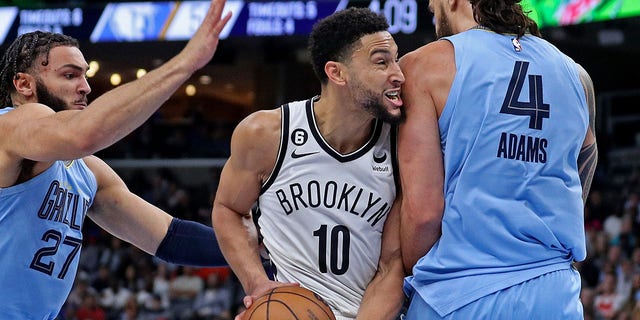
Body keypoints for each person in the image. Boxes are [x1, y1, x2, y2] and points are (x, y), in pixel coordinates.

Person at [0, 0, 231, 318]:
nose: (85, 87)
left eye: (84, 75)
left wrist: (262, 250)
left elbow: (170, 238)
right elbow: (84, 134)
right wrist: (186, 63)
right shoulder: (9, 127)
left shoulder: (86, 171)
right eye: (69, 76)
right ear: (24, 84)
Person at [397, 0, 598, 318]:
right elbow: (583, 168)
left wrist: (410, 276)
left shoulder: (423, 66)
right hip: (555, 295)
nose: (431, 8)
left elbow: (423, 214)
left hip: (459, 294)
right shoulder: (577, 75)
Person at [211, 7, 405, 320]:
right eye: (382, 62)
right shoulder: (266, 134)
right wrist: (256, 283)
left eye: (396, 59)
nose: (399, 73)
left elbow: (391, 266)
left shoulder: (401, 146)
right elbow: (229, 209)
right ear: (337, 73)